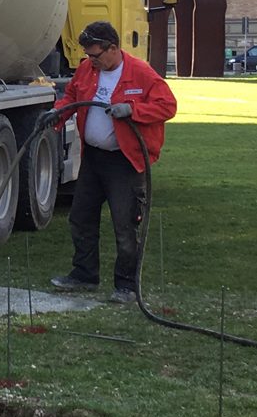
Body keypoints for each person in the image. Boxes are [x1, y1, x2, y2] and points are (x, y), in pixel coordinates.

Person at [51, 20, 177, 303]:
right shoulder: (88, 69)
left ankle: (126, 286)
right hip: (93, 159)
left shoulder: (141, 73)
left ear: (113, 48)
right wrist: (58, 112)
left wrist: (132, 110)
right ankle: (84, 275)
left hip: (125, 162)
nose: (90, 61)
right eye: (88, 56)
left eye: (95, 55)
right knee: (81, 217)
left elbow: (168, 105)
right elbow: (71, 96)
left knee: (124, 225)